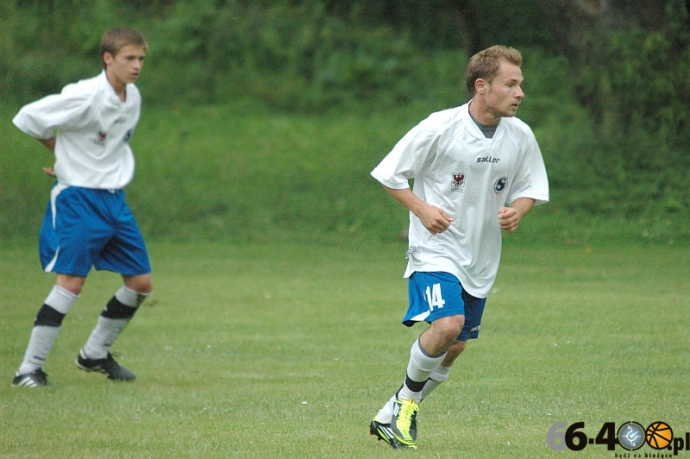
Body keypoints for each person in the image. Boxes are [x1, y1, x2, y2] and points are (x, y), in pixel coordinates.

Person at [368, 45, 549, 449]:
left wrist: (518, 211)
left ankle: (393, 410)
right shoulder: (439, 127)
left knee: (456, 345)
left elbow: (531, 189)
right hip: (436, 250)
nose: (520, 93)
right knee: (447, 326)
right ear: (482, 86)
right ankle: (405, 408)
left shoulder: (519, 135)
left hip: (481, 257)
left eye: (521, 85)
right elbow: (389, 174)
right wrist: (421, 209)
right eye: (511, 84)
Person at [11, 27, 152, 387]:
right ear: (108, 58)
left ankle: (94, 355)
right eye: (129, 58)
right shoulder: (85, 95)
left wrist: (71, 157)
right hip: (79, 200)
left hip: (113, 200)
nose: (136, 66)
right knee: (71, 284)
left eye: (140, 59)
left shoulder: (132, 98)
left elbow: (105, 145)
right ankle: (28, 370)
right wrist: (62, 157)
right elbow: (28, 117)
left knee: (140, 283)